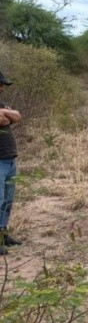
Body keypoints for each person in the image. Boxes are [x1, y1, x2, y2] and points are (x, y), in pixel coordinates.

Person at [0, 69, 23, 255]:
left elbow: (17, 116)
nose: (2, 88)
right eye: (0, 85)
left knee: (7, 201)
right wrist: (6, 115)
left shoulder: (1, 103)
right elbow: (5, 118)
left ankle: (3, 234)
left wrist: (6, 114)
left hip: (9, 159)